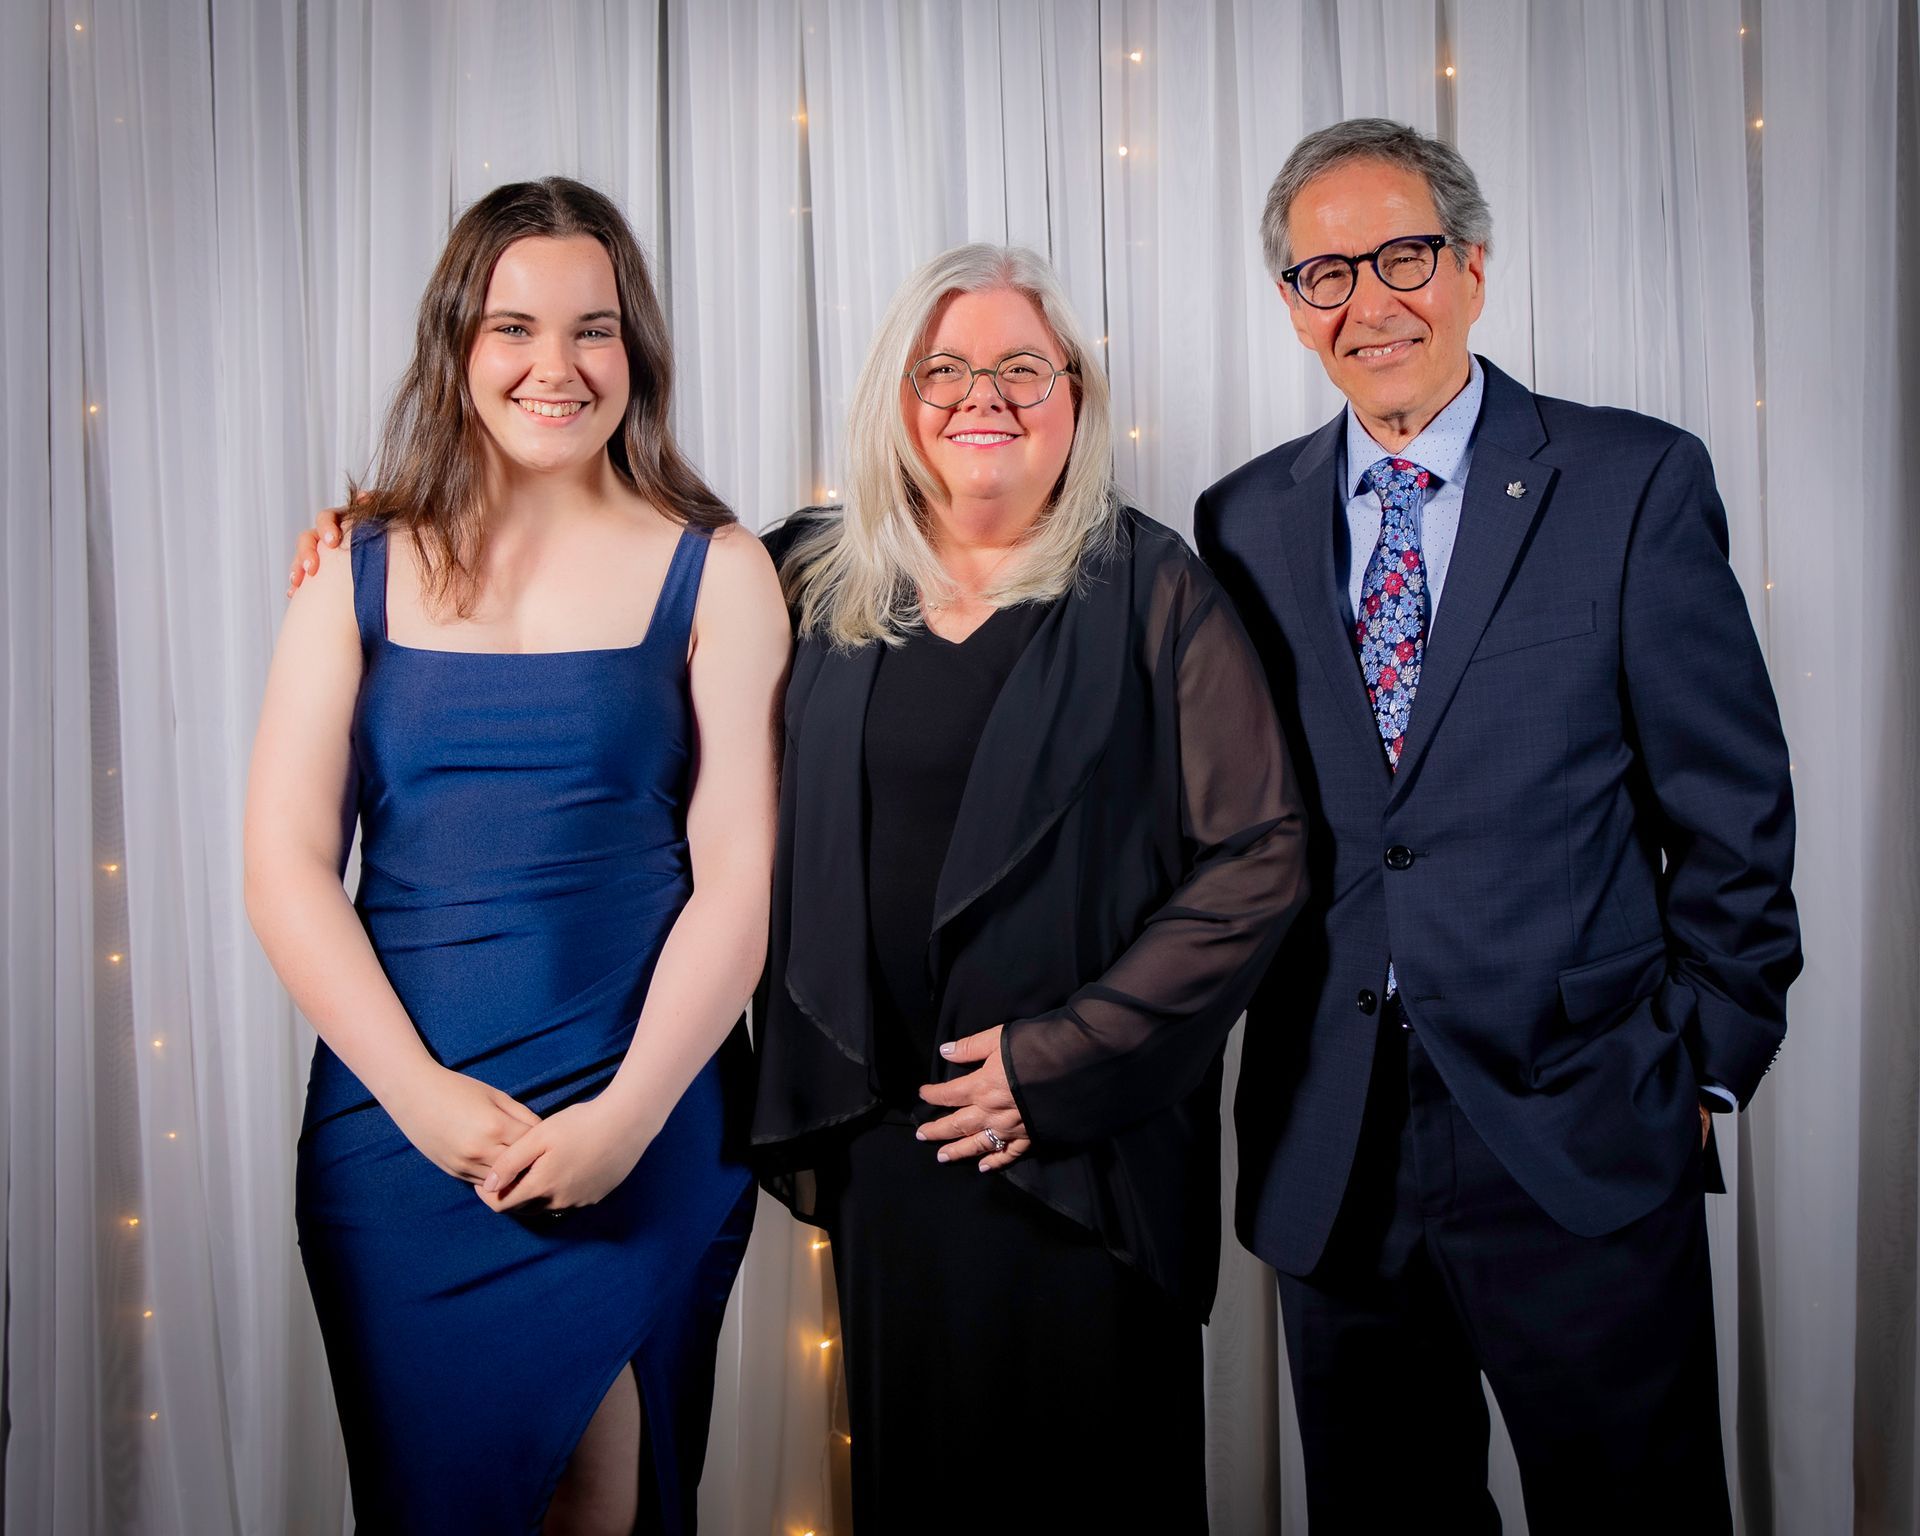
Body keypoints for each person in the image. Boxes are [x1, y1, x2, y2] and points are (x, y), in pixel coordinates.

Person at [1195, 119, 1801, 1532]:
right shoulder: (1242, 521)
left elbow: (1732, 812)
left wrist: (1697, 1077)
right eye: (1324, 272)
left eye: (1402, 254)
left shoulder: (1631, 483)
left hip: (1581, 1122)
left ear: (1472, 266)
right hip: (1333, 1137)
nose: (1369, 300)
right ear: (1291, 306)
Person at [246, 176, 788, 1535]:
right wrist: (423, 1099)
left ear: (637, 350)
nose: (557, 366)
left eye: (593, 329)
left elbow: (739, 880)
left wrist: (625, 1119)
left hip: (643, 1112)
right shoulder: (354, 567)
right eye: (515, 328)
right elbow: (285, 865)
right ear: (458, 347)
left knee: (600, 1498)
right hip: (396, 1133)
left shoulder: (716, 570)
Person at [746, 243, 1307, 1530]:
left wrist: (1056, 1064)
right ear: (897, 399)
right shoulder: (805, 575)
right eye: (944, 369)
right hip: (894, 1144)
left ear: (1076, 400)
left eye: (1020, 368)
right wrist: (406, 530)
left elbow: (1259, 853)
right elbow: (623, 596)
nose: (980, 395)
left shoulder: (1154, 584)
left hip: (1087, 1147)